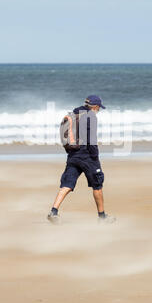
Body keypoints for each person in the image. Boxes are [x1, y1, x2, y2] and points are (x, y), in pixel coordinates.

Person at [47, 95, 116, 224]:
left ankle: (54, 211)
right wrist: (95, 156)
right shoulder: (91, 116)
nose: (99, 110)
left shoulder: (74, 113)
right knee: (97, 185)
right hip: (87, 156)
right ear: (95, 107)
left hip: (73, 154)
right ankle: (102, 217)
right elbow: (91, 140)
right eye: (99, 108)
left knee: (67, 184)